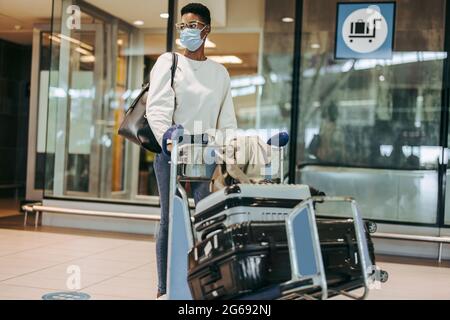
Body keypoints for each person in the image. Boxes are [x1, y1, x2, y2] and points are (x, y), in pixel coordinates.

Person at [145, 3, 237, 299]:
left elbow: (227, 120)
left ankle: (206, 282)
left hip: (205, 154)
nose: (187, 31)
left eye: (193, 25)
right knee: (170, 219)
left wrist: (224, 152)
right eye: (183, 26)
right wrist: (168, 141)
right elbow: (157, 108)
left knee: (207, 217)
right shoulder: (168, 62)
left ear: (206, 30)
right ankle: (164, 288)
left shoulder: (219, 73)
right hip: (171, 152)